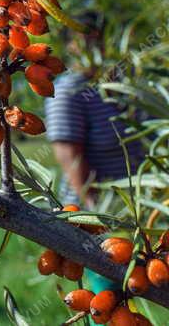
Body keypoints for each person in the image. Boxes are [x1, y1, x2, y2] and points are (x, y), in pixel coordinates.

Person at [45, 12, 144, 208]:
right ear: (70, 45)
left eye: (98, 37)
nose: (94, 43)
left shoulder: (123, 84)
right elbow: (69, 157)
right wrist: (96, 213)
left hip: (133, 205)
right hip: (94, 212)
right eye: (85, 36)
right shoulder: (67, 91)